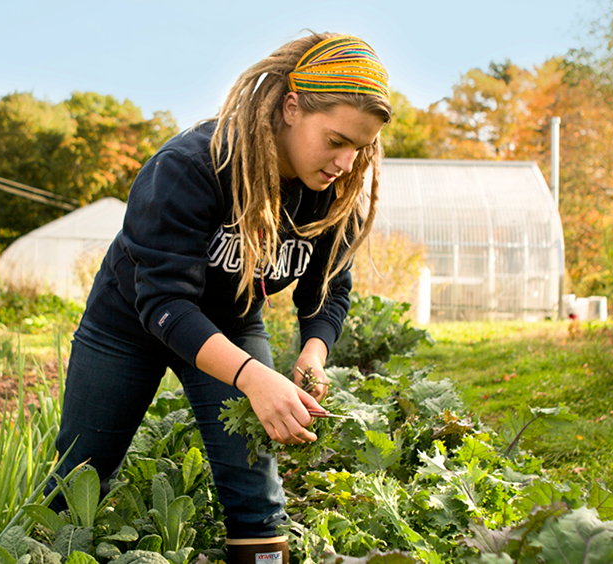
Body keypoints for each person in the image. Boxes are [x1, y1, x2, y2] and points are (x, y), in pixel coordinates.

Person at [52, 32, 391, 562]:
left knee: (256, 494)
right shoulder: (191, 166)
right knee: (78, 478)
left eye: (360, 147)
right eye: (335, 140)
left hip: (232, 325)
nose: (346, 162)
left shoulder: (332, 195)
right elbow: (165, 303)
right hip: (129, 327)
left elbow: (328, 290)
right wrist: (256, 377)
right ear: (291, 106)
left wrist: (314, 350)